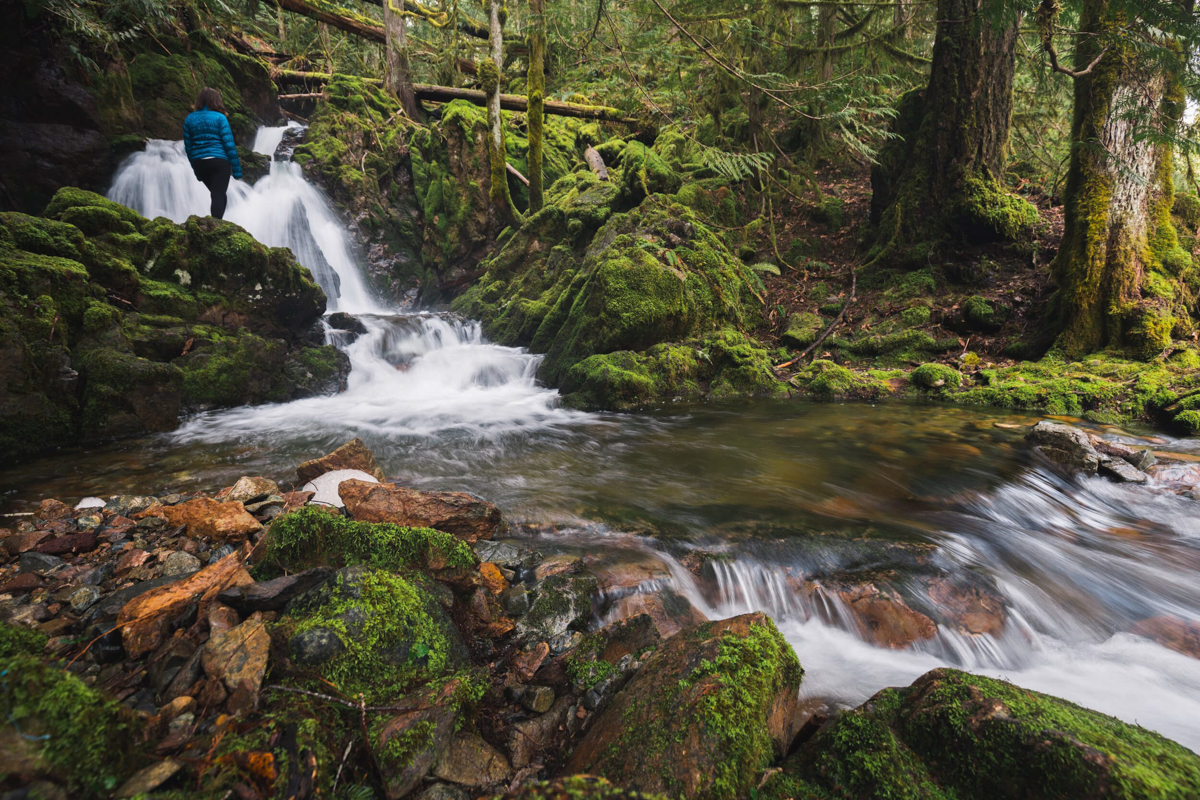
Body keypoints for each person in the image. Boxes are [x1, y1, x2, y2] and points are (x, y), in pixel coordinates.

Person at [182, 87, 243, 219]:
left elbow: (189, 148)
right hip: (219, 162)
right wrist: (237, 171)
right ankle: (215, 228)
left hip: (200, 162)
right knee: (218, 195)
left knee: (219, 195)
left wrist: (196, 170)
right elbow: (229, 145)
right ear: (217, 101)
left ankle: (217, 224)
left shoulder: (189, 119)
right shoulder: (220, 118)